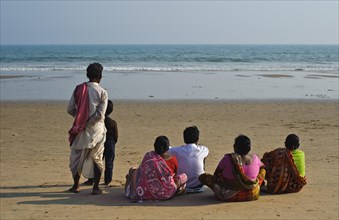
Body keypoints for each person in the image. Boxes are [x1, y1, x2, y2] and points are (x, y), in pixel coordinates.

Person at [67, 62, 108, 195]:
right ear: (100, 77)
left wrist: (81, 120)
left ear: (87, 75)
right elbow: (100, 115)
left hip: (80, 130)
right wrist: (88, 122)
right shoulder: (102, 92)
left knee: (76, 158)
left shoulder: (79, 89)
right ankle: (95, 188)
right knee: (97, 157)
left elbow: (70, 109)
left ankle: (76, 185)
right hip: (97, 130)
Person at [199, 135, 266, 202]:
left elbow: (216, 173)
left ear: (235, 147)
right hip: (252, 193)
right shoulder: (255, 158)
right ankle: (258, 186)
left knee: (204, 177)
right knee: (263, 171)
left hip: (229, 195)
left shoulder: (228, 158)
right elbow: (263, 167)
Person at [124, 136, 187, 202]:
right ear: (168, 147)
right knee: (183, 176)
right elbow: (174, 174)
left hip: (145, 191)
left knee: (133, 171)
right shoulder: (172, 159)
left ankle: (134, 193)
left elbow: (142, 171)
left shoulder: (149, 157)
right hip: (166, 193)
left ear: (155, 146)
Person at [84, 99, 118, 186]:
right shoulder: (113, 122)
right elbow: (116, 137)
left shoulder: (98, 122)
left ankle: (91, 179)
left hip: (100, 142)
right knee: (109, 163)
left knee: (96, 161)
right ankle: (107, 180)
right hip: (110, 143)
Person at [168, 125, 209, 193]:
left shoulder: (178, 150)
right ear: (197, 138)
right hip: (199, 184)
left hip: (182, 184)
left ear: (184, 138)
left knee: (172, 157)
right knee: (202, 158)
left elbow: (166, 150)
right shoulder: (203, 149)